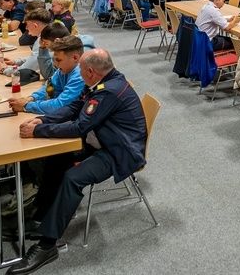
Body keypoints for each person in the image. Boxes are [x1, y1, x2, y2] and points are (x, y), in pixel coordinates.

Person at [10, 50, 146, 275]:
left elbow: (79, 126)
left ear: (90, 72)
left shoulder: (107, 92)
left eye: (81, 70)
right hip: (103, 139)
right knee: (56, 159)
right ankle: (41, 218)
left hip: (118, 151)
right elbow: (74, 109)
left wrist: (38, 131)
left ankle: (47, 245)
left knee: (73, 178)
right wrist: (43, 120)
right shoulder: (102, 81)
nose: (79, 74)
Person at [8, 35, 86, 116]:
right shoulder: (64, 70)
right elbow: (49, 87)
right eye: (54, 60)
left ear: (75, 58)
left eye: (59, 60)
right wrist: (30, 99)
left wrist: (26, 106)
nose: (55, 64)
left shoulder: (80, 76)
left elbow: (60, 105)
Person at [0, 9, 51, 79]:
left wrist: (4, 69)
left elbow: (27, 69)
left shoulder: (44, 40)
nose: (26, 28)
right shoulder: (48, 34)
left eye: (27, 25)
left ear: (35, 26)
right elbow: (36, 57)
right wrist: (15, 62)